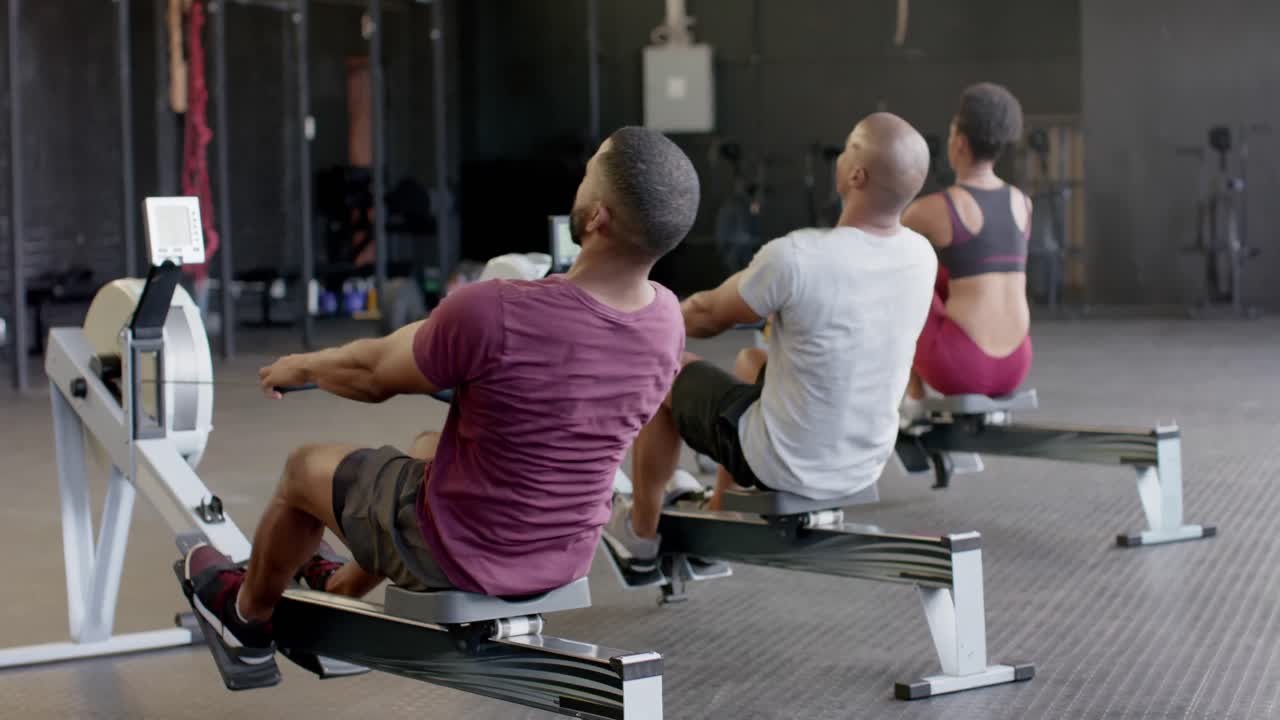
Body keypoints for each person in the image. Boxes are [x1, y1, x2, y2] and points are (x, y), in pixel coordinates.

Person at [181, 126, 699, 669]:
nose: (580, 182)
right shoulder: (667, 320)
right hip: (564, 558)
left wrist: (299, 366)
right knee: (429, 446)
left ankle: (248, 615)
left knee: (303, 468)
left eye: (590, 172)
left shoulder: (494, 309)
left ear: (597, 218)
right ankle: (338, 589)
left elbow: (372, 373)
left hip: (460, 554)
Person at [603, 113, 938, 582]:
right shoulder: (922, 255)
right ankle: (720, 509)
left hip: (787, 462)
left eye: (847, 150)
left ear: (856, 175)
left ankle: (640, 536)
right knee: (752, 361)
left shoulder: (799, 256)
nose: (838, 159)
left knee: (667, 376)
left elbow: (704, 316)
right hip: (863, 464)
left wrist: (629, 325)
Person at [901, 82, 1032, 403]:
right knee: (950, 276)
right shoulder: (1023, 202)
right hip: (1017, 364)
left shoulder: (936, 208)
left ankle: (911, 391)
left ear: (958, 143)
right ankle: (912, 389)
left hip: (961, 366)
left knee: (902, 277)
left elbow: (877, 247)